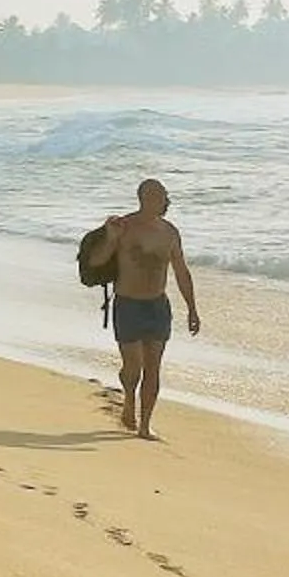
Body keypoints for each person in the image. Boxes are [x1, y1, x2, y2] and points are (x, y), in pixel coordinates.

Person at [104, 177, 198, 439]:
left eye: (166, 197)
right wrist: (110, 238)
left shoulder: (170, 232)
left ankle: (145, 425)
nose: (167, 201)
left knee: (153, 367)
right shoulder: (124, 227)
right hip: (128, 305)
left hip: (157, 306)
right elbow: (99, 259)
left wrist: (192, 308)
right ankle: (128, 400)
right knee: (133, 366)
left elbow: (181, 272)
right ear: (147, 198)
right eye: (163, 197)